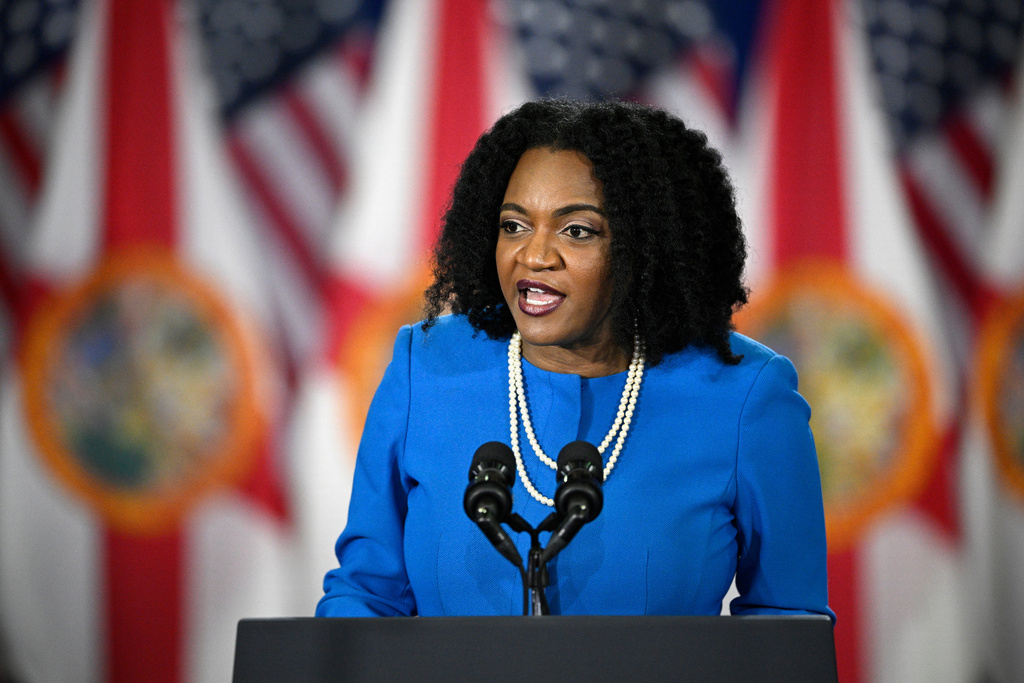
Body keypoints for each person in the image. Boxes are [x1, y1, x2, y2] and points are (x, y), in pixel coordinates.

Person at [316, 99, 832, 619]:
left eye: (576, 230)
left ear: (645, 247)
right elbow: (365, 595)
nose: (534, 256)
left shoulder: (745, 396)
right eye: (514, 225)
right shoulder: (424, 368)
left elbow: (786, 624)